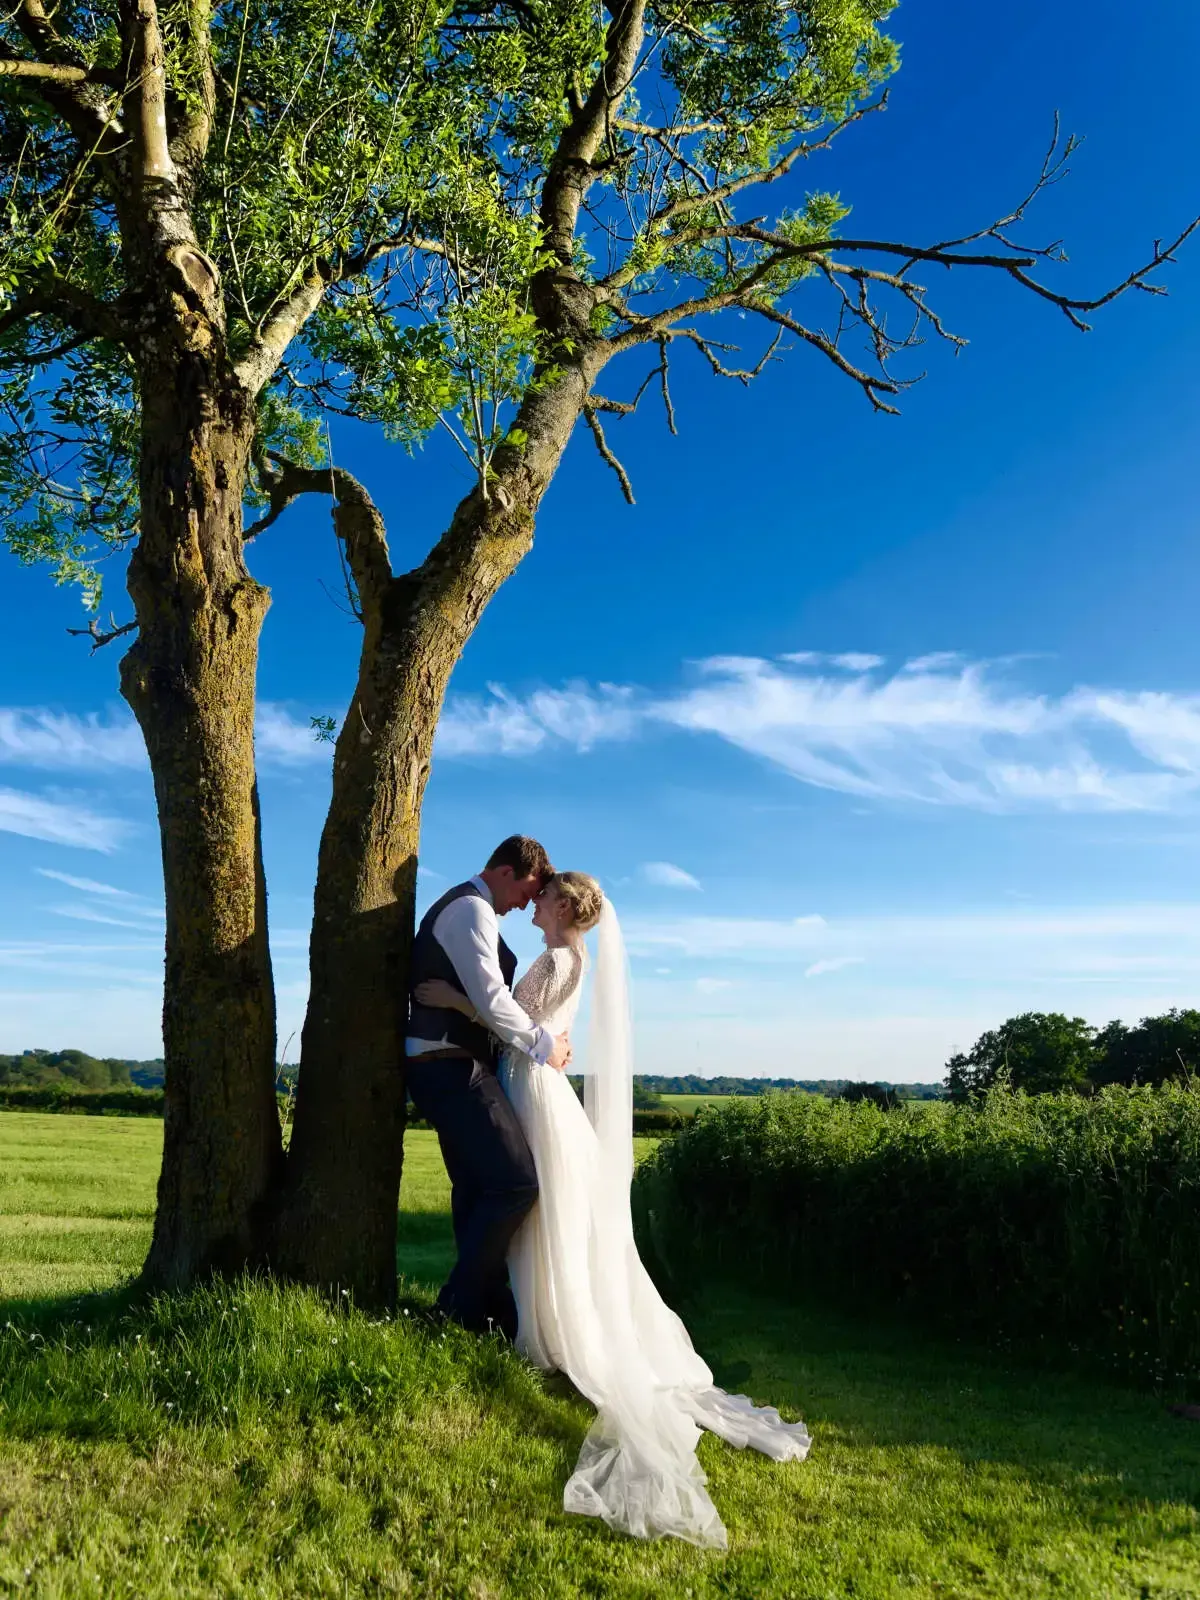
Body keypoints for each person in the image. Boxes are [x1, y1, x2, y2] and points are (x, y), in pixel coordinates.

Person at [414, 872, 811, 1549]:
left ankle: (536, 1325)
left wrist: (453, 995)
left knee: (539, 1208)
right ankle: (521, 1315)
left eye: (545, 897)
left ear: (566, 905)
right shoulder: (570, 957)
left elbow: (517, 1027)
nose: (534, 903)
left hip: (530, 1084)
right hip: (535, 1083)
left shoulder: (563, 957)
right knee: (542, 1212)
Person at [405, 835, 572, 1338]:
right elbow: (494, 999)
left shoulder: (474, 910)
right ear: (506, 871)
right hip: (450, 1064)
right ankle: (455, 1308)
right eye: (529, 889)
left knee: (478, 1189)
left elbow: (482, 999)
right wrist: (545, 1045)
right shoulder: (470, 911)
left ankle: (486, 1315)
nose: (527, 903)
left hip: (452, 1061)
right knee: (516, 1183)